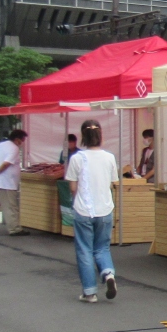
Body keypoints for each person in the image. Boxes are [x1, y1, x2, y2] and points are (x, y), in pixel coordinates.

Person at [65, 119, 120, 302]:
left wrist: (78, 201)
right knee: (102, 248)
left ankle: (90, 292)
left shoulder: (76, 158)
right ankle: (108, 274)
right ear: (100, 135)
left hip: (84, 210)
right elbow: (113, 183)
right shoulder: (109, 157)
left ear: (83, 136)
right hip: (105, 209)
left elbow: (73, 187)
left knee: (85, 251)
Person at [0, 129, 30, 237]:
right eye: (23, 140)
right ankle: (14, 228)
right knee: (10, 206)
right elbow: (6, 164)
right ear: (17, 139)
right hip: (6, 183)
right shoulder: (13, 148)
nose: (23, 143)